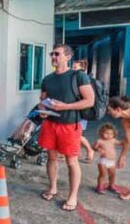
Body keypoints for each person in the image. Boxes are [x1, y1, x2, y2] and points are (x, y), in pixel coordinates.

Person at [38, 45, 95, 212]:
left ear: (68, 57)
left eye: (57, 54)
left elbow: (89, 101)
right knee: (51, 158)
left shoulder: (78, 76)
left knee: (71, 161)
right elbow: (43, 100)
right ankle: (53, 188)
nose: (53, 56)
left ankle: (72, 196)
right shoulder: (47, 79)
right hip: (50, 124)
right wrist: (42, 110)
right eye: (52, 54)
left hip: (70, 125)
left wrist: (65, 107)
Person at [72, 60, 96, 163]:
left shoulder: (82, 77)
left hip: (82, 111)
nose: (72, 67)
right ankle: (74, 153)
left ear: (81, 67)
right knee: (75, 134)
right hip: (76, 110)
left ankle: (90, 150)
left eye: (74, 66)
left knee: (77, 135)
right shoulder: (76, 77)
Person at [92, 123, 122, 194]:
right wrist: (98, 149)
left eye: (111, 134)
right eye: (106, 133)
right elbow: (93, 147)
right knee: (102, 174)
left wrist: (127, 140)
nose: (109, 135)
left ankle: (111, 185)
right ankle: (99, 186)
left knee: (112, 174)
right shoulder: (100, 141)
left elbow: (120, 143)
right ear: (102, 133)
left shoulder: (113, 140)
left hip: (112, 161)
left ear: (113, 134)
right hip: (103, 161)